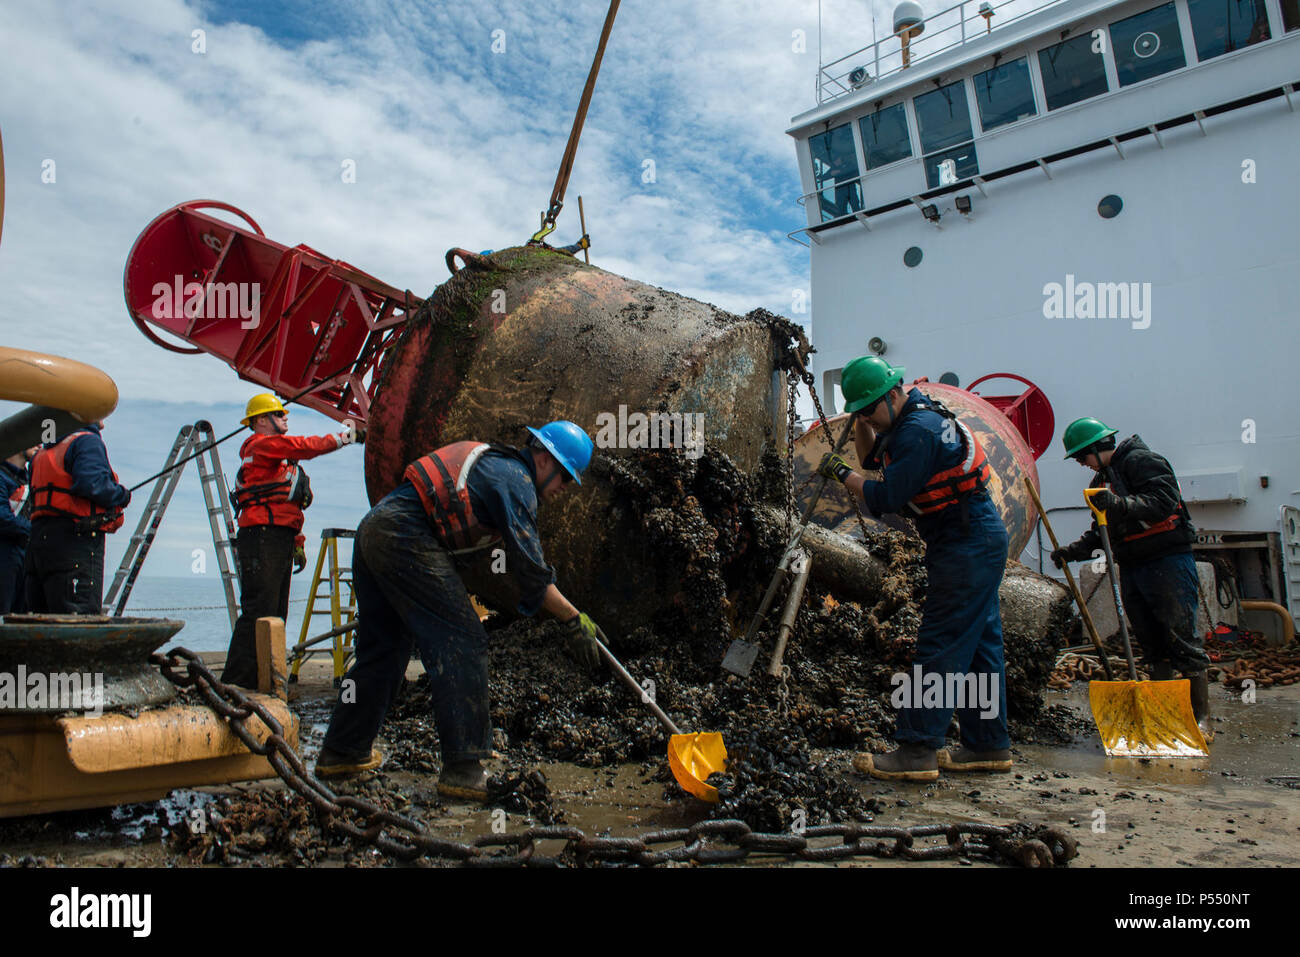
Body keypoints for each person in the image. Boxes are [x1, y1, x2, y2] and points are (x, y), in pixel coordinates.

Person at [316, 420, 605, 802]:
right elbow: (533, 574)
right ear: (544, 458)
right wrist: (573, 617)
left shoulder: (493, 466)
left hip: (375, 530)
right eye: (565, 477)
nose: (563, 490)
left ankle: (342, 751)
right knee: (465, 641)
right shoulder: (516, 481)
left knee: (383, 649)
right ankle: (465, 769)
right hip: (404, 537)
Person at [818, 356, 1011, 781]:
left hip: (966, 540)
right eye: (860, 411)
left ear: (893, 394)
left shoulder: (920, 433)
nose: (866, 417)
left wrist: (841, 474)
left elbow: (884, 498)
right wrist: (862, 418)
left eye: (870, 408)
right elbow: (874, 462)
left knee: (941, 642)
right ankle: (987, 744)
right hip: (968, 536)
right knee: (979, 646)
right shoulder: (909, 422)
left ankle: (918, 749)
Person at [1050, 417, 1211, 739]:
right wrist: (1071, 551)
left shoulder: (1142, 461)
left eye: (1082, 457)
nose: (1082, 464)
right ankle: (1167, 713)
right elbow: (1103, 531)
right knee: (1151, 643)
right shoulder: (1103, 479)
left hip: (1166, 561)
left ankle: (1200, 718)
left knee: (1181, 638)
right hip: (1134, 566)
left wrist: (1120, 504)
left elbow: (1163, 502)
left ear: (1097, 448)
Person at [221, 394, 360, 689]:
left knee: (275, 613)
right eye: (279, 414)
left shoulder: (276, 458)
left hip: (275, 536)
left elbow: (289, 505)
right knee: (259, 611)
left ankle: (263, 681)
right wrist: (345, 438)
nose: (285, 417)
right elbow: (304, 446)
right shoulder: (261, 446)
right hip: (261, 537)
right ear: (261, 421)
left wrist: (297, 542)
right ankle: (236, 683)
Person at [25, 423, 131, 614]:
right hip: (75, 542)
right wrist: (122, 495)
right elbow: (92, 484)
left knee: (41, 615)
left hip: (38, 545)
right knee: (79, 616)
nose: (103, 422)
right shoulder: (86, 441)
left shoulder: (41, 454)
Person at [0, 446, 38, 613]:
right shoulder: (1, 476)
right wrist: (37, 530)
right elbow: (3, 518)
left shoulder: (31, 480)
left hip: (24, 556)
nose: (39, 444)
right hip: (5, 555)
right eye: (33, 439)